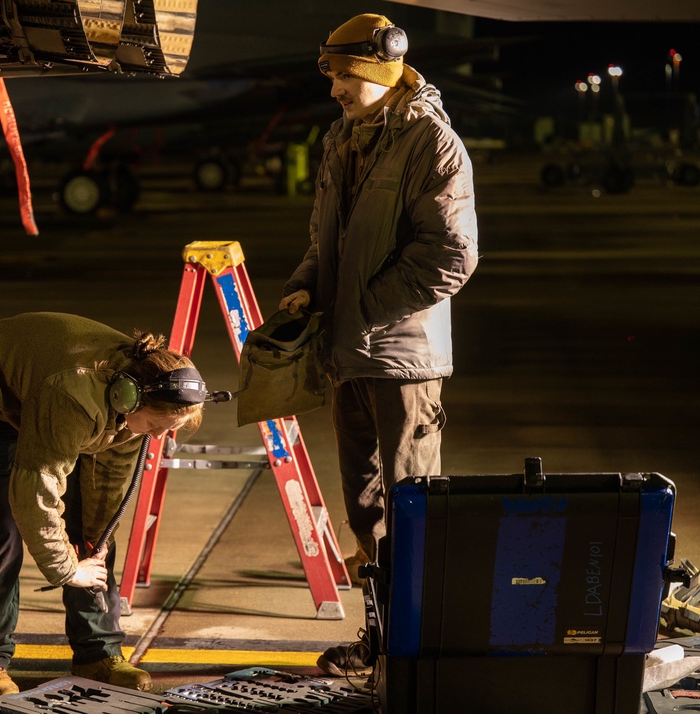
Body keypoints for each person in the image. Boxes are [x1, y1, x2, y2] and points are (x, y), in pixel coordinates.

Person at [278, 13, 478, 676]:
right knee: (366, 515)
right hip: (347, 354)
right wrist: (308, 285)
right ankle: (382, 643)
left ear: (380, 71)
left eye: (343, 75)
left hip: (401, 360)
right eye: (331, 74)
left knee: (412, 507)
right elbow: (323, 239)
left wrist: (363, 311)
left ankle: (419, 653)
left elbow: (450, 256)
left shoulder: (432, 144)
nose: (334, 87)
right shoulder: (344, 138)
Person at [0, 312, 206, 700]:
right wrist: (67, 570)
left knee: (95, 536)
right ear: (128, 397)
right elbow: (36, 490)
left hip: (69, 405)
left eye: (168, 429)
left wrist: (94, 542)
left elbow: (111, 483)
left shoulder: (144, 405)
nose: (159, 437)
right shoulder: (71, 395)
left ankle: (97, 654)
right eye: (155, 426)